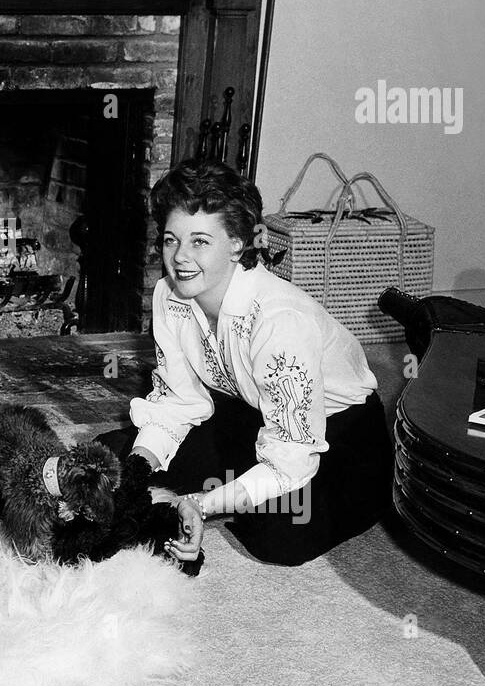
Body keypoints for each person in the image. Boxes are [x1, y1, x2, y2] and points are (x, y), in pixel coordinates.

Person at [95, 158, 393, 567]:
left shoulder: (280, 320)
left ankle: (248, 492)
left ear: (237, 243)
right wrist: (135, 474)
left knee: (278, 534)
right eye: (170, 239)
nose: (180, 257)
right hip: (250, 415)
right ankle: (235, 485)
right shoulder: (168, 296)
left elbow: (291, 455)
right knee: (114, 457)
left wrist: (201, 505)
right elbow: (179, 403)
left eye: (200, 241)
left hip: (339, 438)